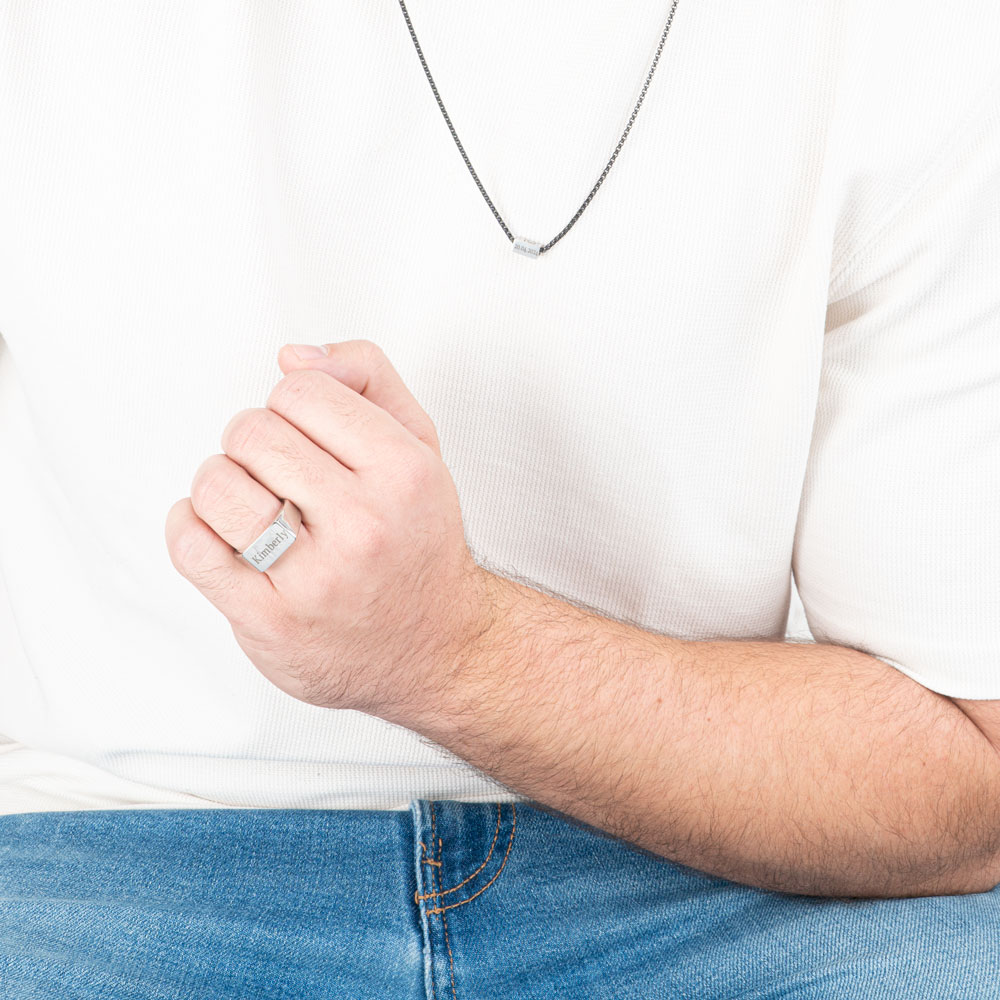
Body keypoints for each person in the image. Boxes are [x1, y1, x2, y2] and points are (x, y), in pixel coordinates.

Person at [1, 1, 998, 996]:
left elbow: (970, 774)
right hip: (103, 852)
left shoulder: (912, 42)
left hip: (721, 865)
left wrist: (448, 649)